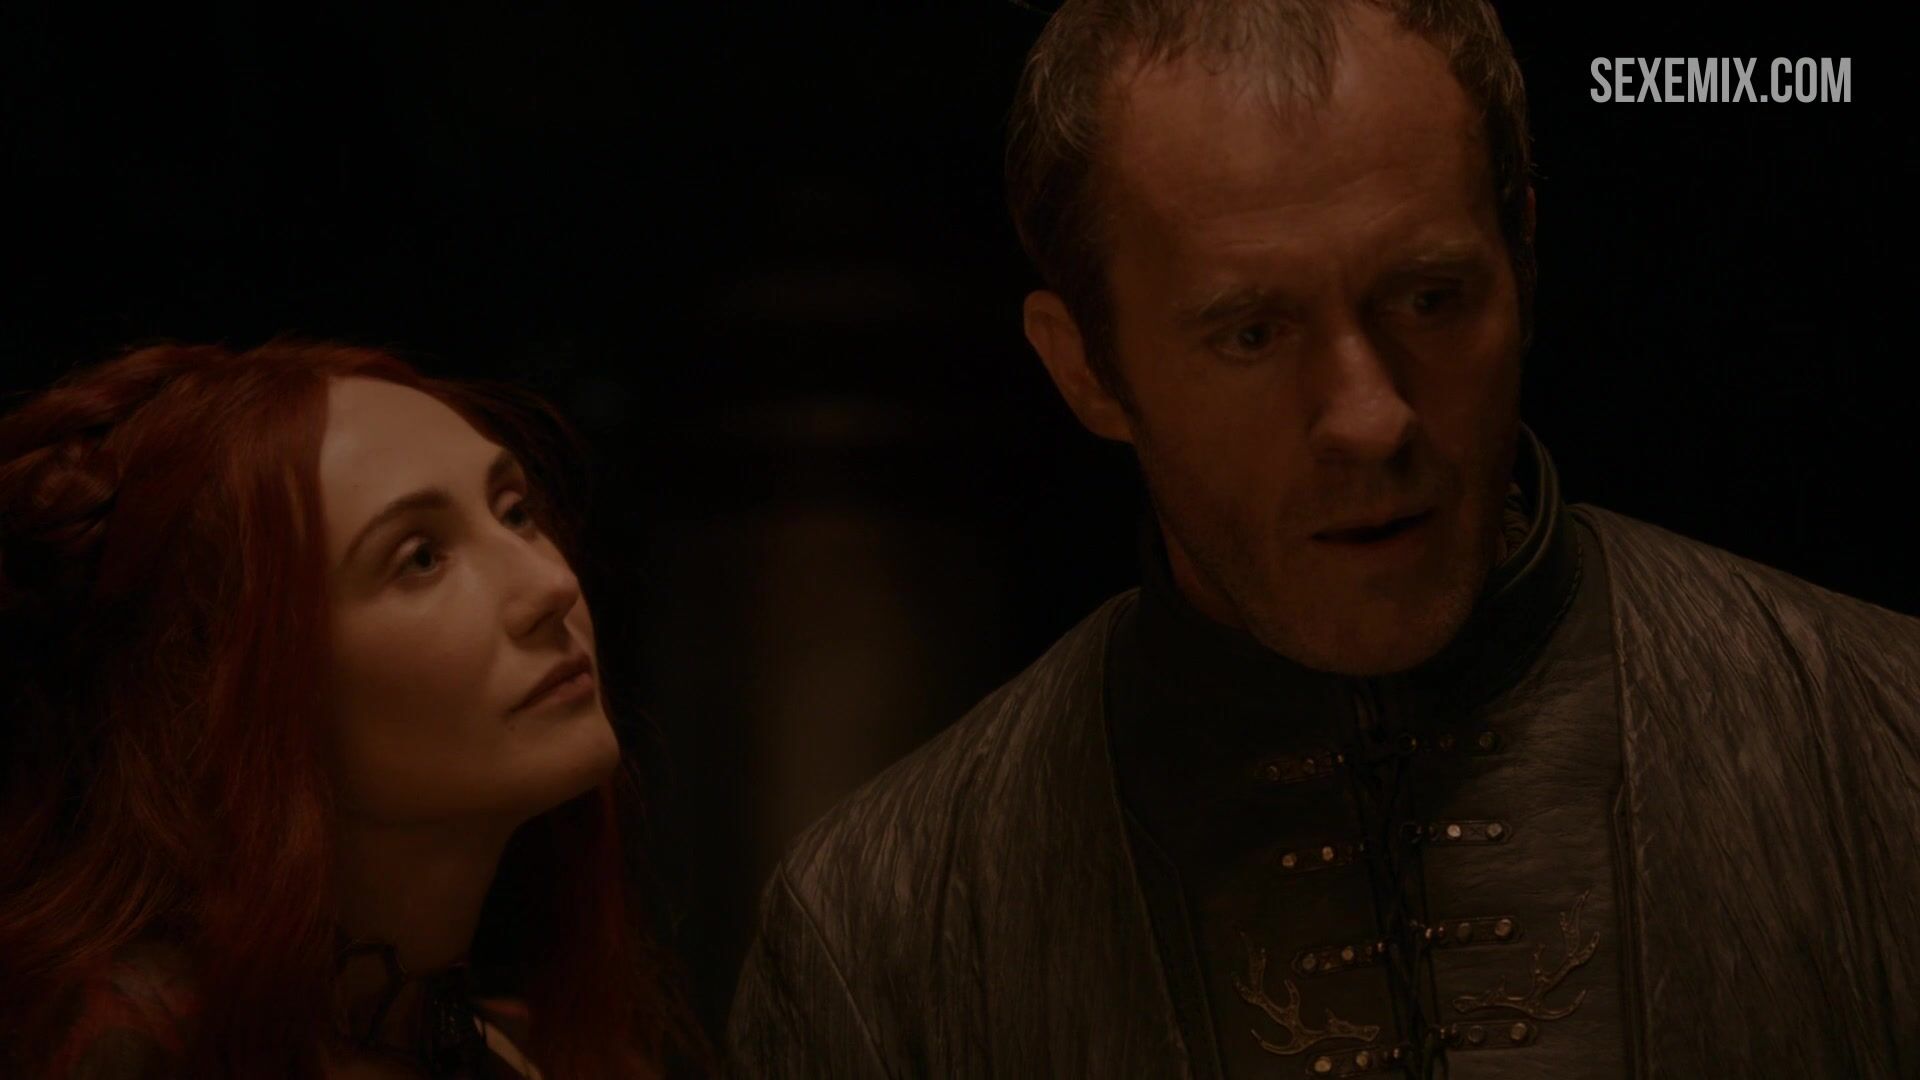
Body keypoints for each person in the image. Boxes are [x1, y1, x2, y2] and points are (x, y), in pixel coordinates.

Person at [727, 2, 1920, 1077]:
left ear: (1524, 260)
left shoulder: (1882, 740)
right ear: (1086, 367)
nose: (1369, 416)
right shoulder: (886, 935)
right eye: (1251, 333)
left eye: (1429, 298)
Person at [0, 341, 712, 1078]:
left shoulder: (527, 1049)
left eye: (517, 513)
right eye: (420, 558)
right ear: (216, 687)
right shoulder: (111, 1047)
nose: (550, 585)